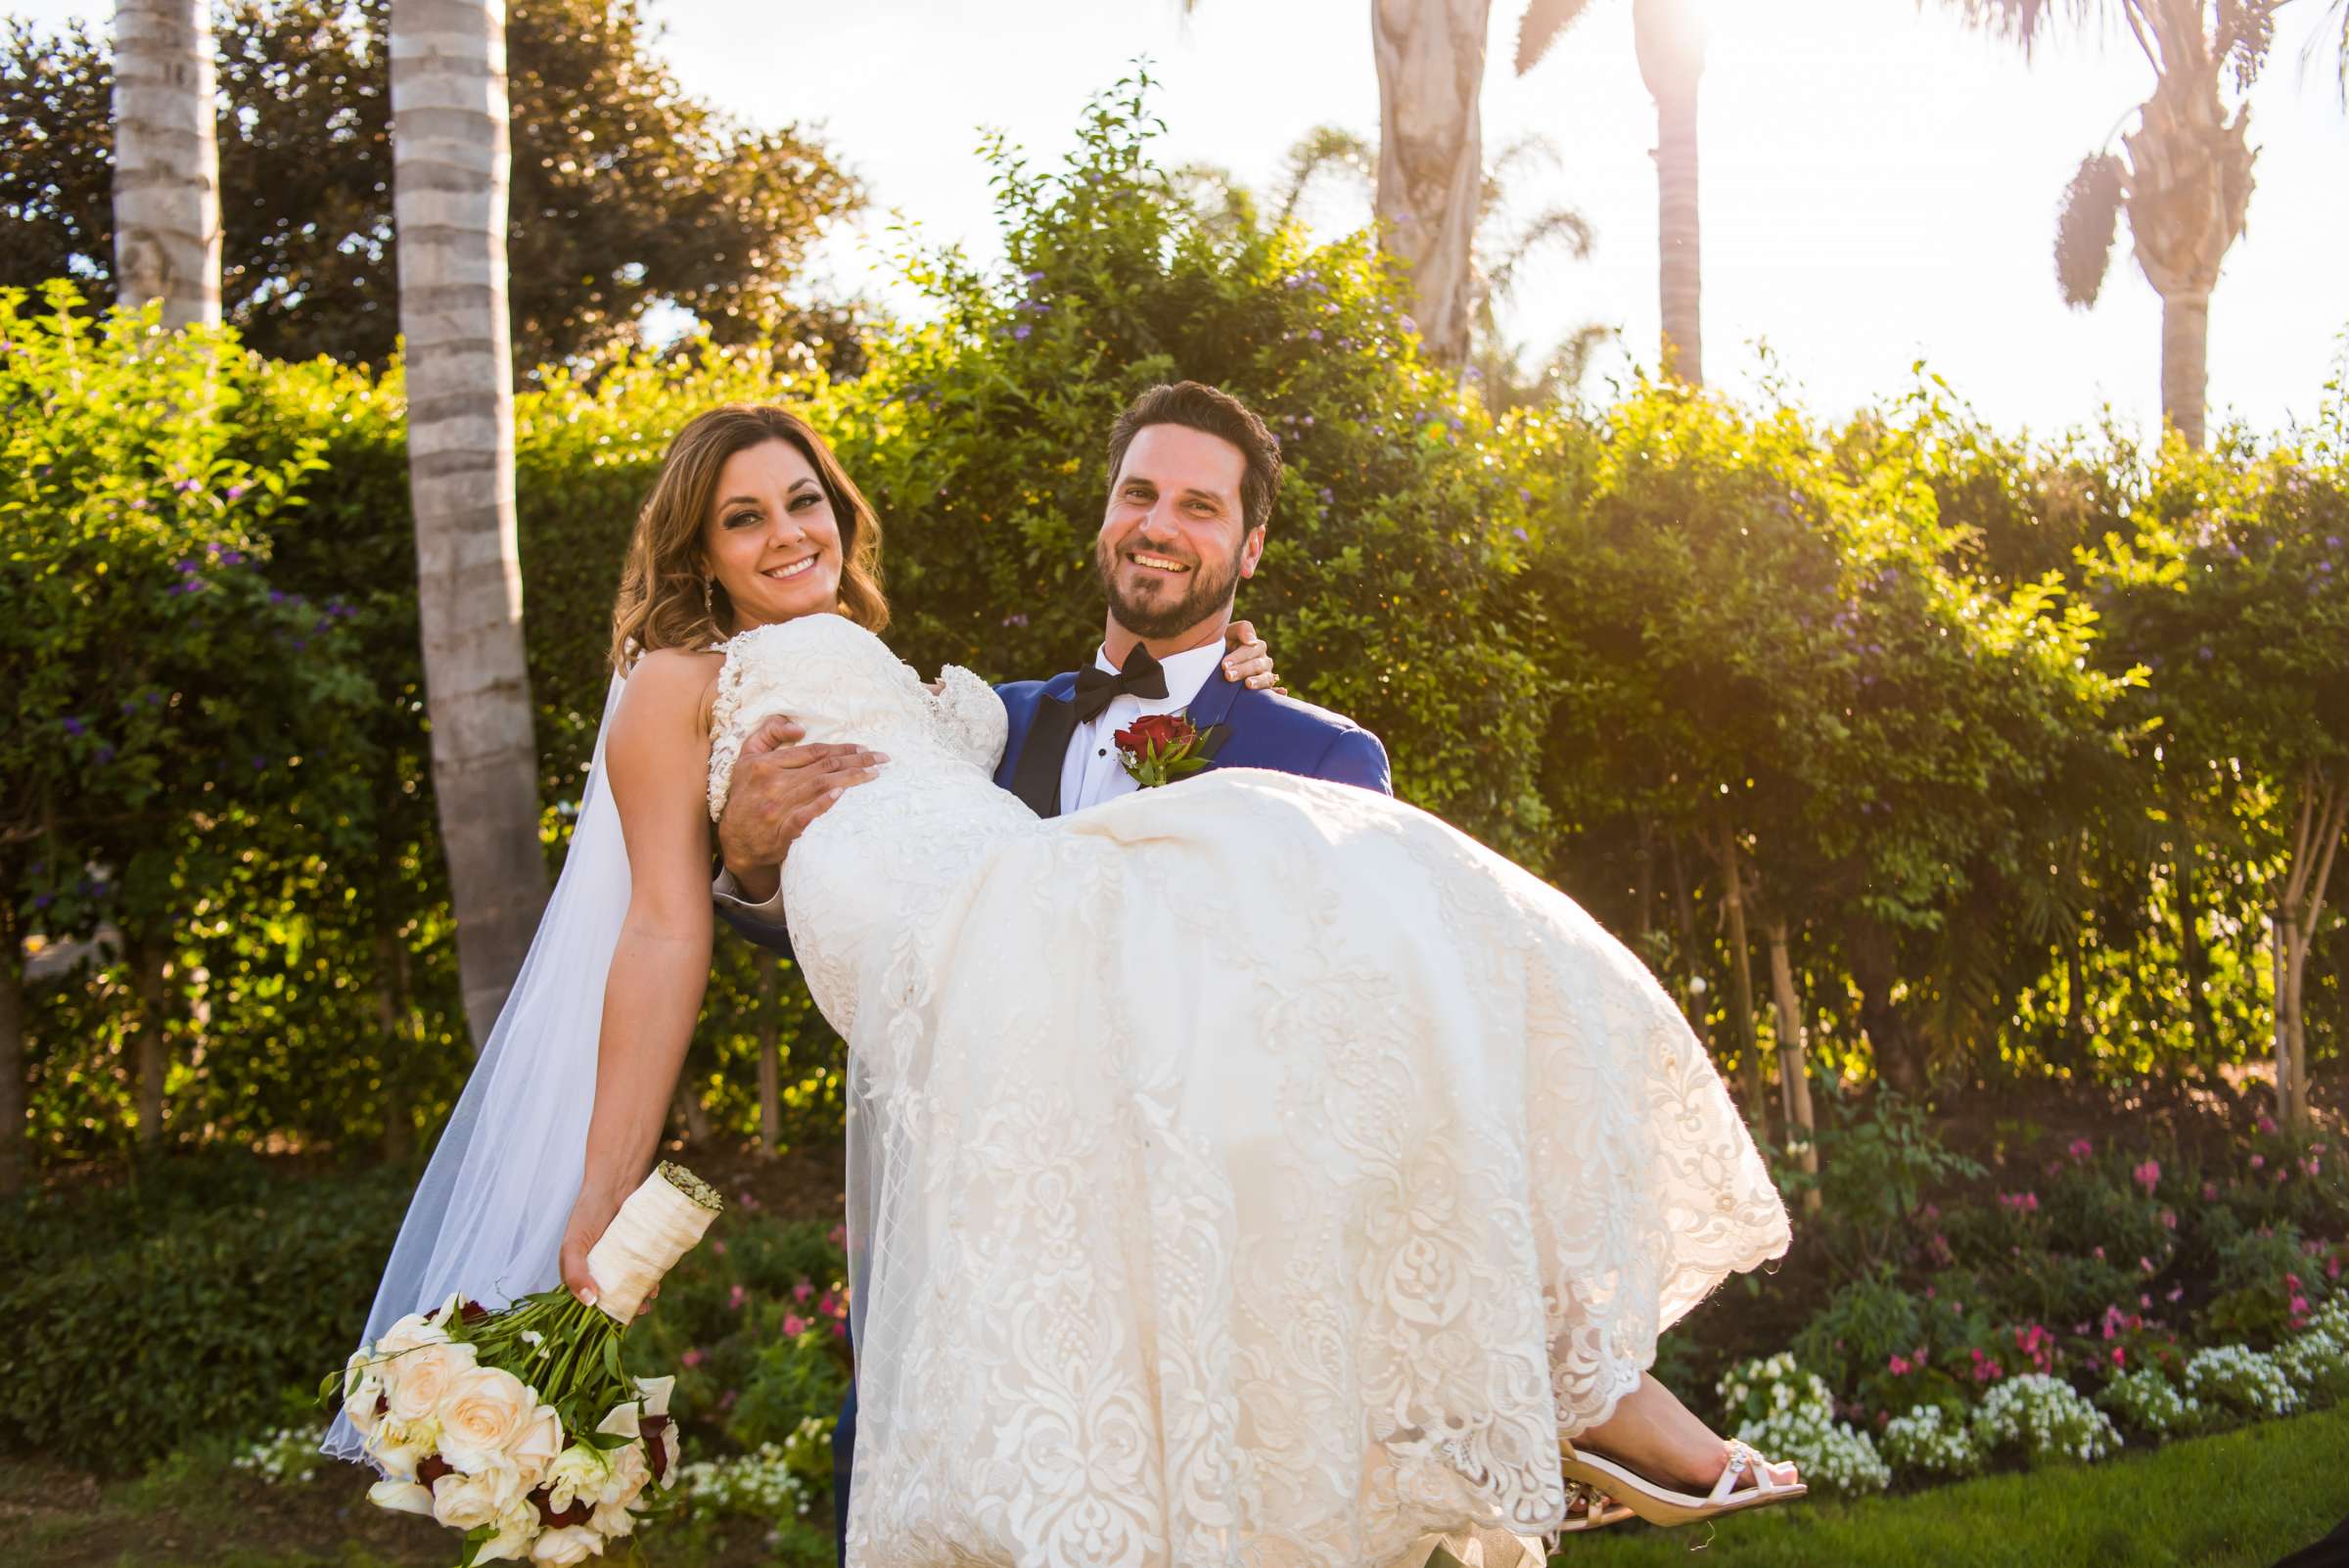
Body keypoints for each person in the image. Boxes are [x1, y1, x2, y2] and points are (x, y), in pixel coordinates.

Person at [341, 389, 1801, 1568]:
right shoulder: (790, 692)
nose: (786, 530)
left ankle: (1579, 1377)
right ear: (698, 548)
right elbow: (675, 925)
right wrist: (739, 857)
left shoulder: (1263, 746)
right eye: (744, 515)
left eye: (804, 500)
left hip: (1153, 1148)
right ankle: (1585, 1391)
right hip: (992, 1049)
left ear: (1247, 548)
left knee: (1391, 961)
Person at [686, 384, 1397, 1567]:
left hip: (1203, 1294)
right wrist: (751, 865)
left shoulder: (1318, 754)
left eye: (1200, 506)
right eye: (1138, 493)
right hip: (964, 1271)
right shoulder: (976, 732)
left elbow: (1340, 1030)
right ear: (1105, 517)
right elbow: (862, 903)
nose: (1159, 524)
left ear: (1250, 546)